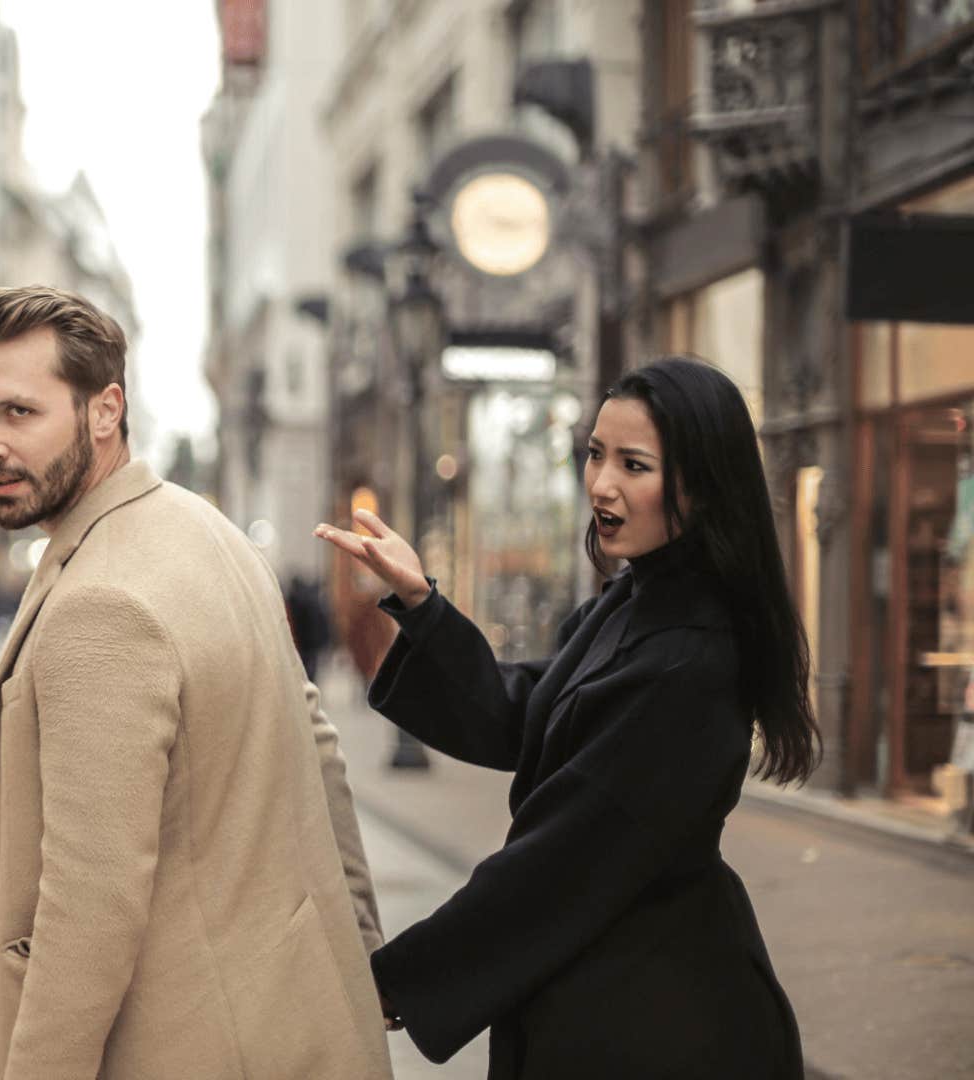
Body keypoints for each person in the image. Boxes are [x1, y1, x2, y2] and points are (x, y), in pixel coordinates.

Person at [317, 355, 812, 1078]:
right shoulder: (634, 598)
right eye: (595, 455)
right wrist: (424, 603)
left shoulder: (691, 662)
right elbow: (522, 714)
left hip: (662, 1017)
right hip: (599, 986)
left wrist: (392, 982)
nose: (602, 484)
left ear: (702, 486)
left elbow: (558, 864)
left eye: (634, 465)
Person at [0, 285, 392, 1080]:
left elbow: (89, 909)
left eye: (19, 413)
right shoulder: (207, 531)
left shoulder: (102, 602)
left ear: (104, 411)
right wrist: (361, 958)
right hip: (302, 1026)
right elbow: (322, 759)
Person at [284, 572, 334, 681]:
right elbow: (323, 624)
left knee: (302, 674)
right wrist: (325, 643)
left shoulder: (292, 602)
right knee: (310, 674)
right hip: (312, 646)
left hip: (300, 645)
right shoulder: (314, 602)